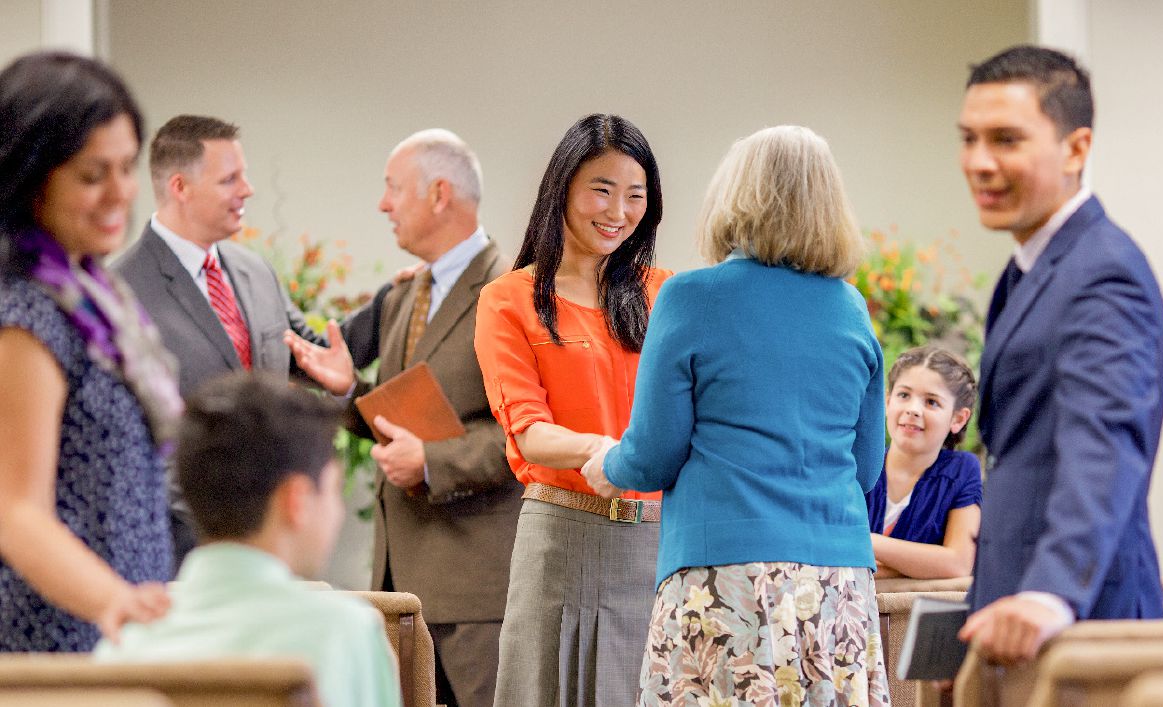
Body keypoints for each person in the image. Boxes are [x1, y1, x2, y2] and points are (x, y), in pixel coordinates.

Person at [582, 124, 889, 706]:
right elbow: (867, 469)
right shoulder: (851, 308)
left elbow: (651, 453)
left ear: (735, 196)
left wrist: (607, 465)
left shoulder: (691, 296)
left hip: (726, 578)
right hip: (837, 584)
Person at [285, 129, 520, 707]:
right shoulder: (404, 296)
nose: (383, 205)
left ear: (440, 194)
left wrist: (431, 461)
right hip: (399, 590)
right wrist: (348, 392)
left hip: (477, 591)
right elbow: (402, 416)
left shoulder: (512, 292)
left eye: (393, 189)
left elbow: (525, 434)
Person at [955, 45, 1163, 665]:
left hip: (1082, 623)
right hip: (1015, 619)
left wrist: (1049, 594)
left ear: (1076, 149)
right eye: (968, 138)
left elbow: (1105, 442)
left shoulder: (1103, 273)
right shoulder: (1029, 267)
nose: (979, 162)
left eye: (1006, 139)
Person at [474, 113, 669, 707]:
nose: (618, 211)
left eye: (635, 195)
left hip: (662, 545)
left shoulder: (668, 294)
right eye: (601, 190)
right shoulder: (508, 300)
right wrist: (612, 456)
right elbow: (529, 432)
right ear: (562, 188)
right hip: (563, 539)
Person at [0, 51, 178, 651]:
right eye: (92, 174)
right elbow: (14, 512)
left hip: (114, 633)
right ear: (29, 177)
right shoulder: (23, 316)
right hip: (54, 641)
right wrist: (114, 600)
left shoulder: (92, 292)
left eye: (127, 167)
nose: (120, 194)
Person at [95, 372, 402, 707]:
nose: (338, 512)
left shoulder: (123, 644)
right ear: (296, 500)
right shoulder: (346, 635)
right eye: (332, 491)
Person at [114, 115, 323, 567]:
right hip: (177, 552)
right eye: (230, 179)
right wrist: (217, 527)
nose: (247, 190)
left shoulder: (256, 272)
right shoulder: (121, 291)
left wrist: (396, 298)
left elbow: (308, 350)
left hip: (272, 541)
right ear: (180, 187)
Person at [865, 346, 982, 579]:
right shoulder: (860, 463)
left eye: (931, 402)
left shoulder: (962, 470)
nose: (913, 409)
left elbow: (958, 564)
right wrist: (918, 563)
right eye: (904, 395)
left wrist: (865, 541)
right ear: (887, 402)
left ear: (958, 419)